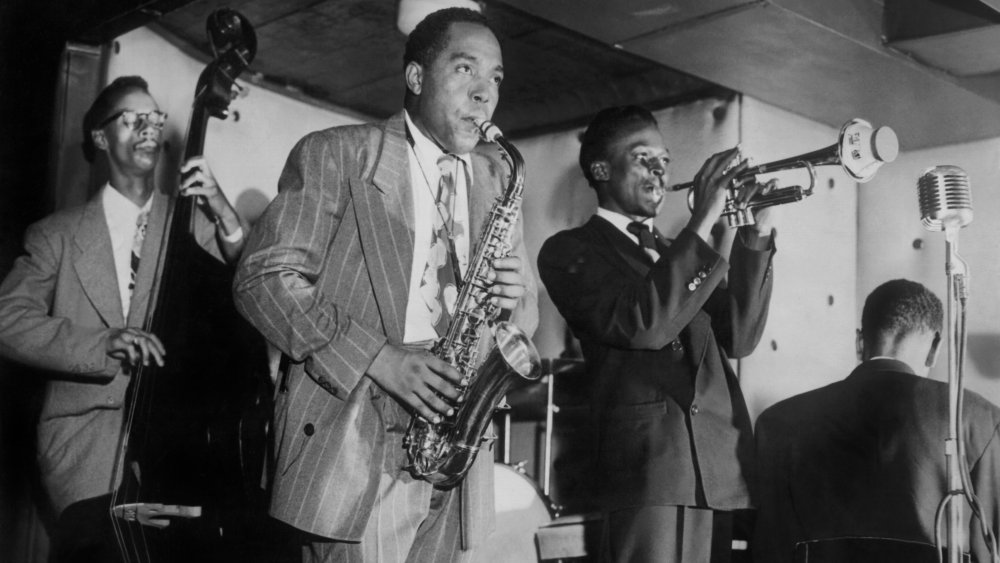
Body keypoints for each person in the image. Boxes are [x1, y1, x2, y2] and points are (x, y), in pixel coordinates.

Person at [232, 8, 537, 563]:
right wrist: (378, 358)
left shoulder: (497, 178)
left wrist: (514, 302)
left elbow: (526, 323)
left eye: (495, 78)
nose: (484, 94)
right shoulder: (338, 153)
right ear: (416, 78)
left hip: (458, 447)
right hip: (359, 440)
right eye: (465, 70)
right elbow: (262, 279)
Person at [0, 75, 247, 561]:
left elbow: (249, 278)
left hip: (174, 449)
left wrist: (226, 214)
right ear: (100, 136)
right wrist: (103, 343)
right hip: (85, 455)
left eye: (156, 119)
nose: (150, 129)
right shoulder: (56, 235)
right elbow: (7, 319)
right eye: (133, 119)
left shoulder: (191, 223)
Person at [536, 105, 778, 562]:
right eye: (642, 156)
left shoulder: (679, 254)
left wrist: (756, 233)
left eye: (664, 160)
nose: (659, 170)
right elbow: (642, 323)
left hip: (715, 468)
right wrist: (701, 222)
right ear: (601, 169)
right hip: (647, 469)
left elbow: (740, 336)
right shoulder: (569, 250)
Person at [754, 279, 1000, 563]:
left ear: (860, 342)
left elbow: (770, 547)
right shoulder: (980, 420)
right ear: (935, 346)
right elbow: (990, 546)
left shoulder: (779, 421)